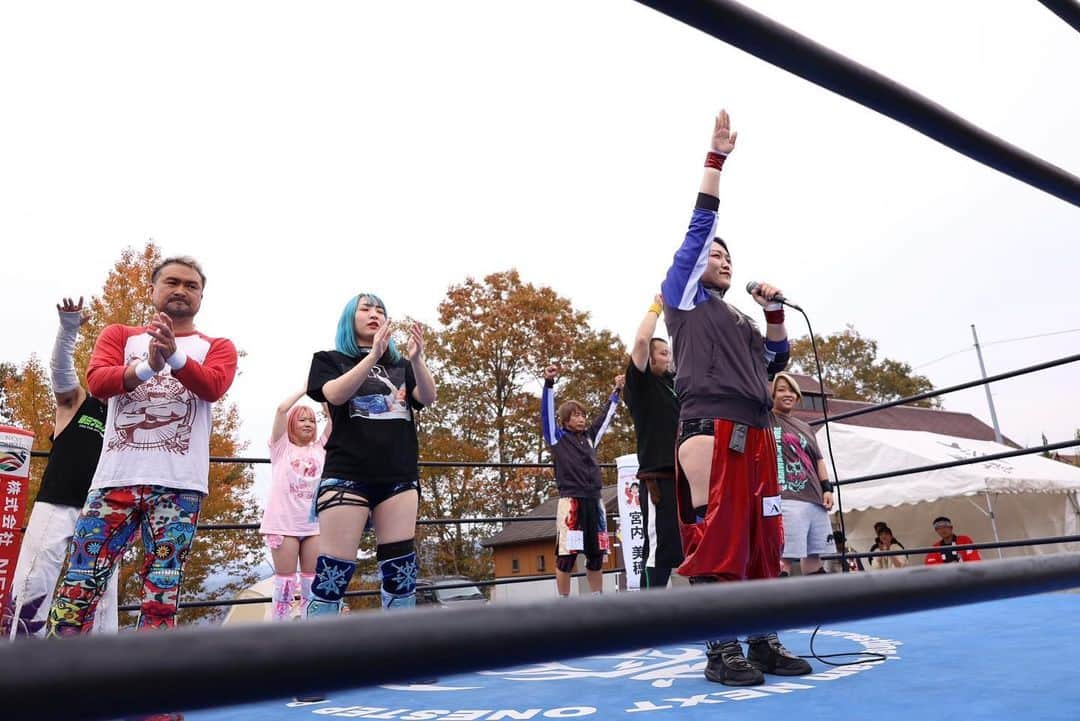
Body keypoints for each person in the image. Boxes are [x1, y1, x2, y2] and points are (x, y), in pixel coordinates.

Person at [660, 109, 810, 685]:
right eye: (715, 257)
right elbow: (699, 230)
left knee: (763, 537)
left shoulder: (740, 319)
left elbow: (777, 362)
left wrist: (773, 310)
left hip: (759, 430)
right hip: (709, 426)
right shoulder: (684, 299)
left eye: (729, 256)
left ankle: (762, 638)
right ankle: (719, 649)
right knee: (714, 535)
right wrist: (715, 160)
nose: (723, 260)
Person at [47, 257, 237, 640]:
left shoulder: (217, 346)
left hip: (180, 487)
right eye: (171, 282)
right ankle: (55, 684)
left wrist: (175, 357)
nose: (181, 290)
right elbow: (98, 381)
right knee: (79, 584)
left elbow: (213, 386)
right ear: (151, 290)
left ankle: (152, 690)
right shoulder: (120, 335)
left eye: (191, 285)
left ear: (201, 296)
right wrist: (148, 366)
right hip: (114, 481)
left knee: (161, 595)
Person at [304, 294, 436, 617]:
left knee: (401, 570)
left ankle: (397, 652)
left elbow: (427, 397)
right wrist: (372, 355)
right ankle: (315, 656)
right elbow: (334, 394)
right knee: (334, 571)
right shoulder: (329, 359)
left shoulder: (401, 367)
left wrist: (416, 360)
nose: (374, 314)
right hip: (347, 474)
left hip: (398, 475)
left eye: (380, 310)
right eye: (365, 308)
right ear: (350, 317)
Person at [4, 298, 119, 638]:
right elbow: (60, 370)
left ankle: (102, 670)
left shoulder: (125, 417)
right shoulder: (77, 401)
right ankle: (21, 664)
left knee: (103, 592)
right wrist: (68, 330)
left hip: (106, 510)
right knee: (33, 578)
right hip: (57, 501)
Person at [541, 364, 622, 596]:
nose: (581, 419)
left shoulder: (589, 438)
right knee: (567, 557)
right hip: (572, 504)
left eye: (583, 414)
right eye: (576, 415)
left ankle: (597, 600)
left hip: (594, 502)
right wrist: (549, 384)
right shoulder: (557, 439)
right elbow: (546, 414)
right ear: (565, 419)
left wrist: (616, 392)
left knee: (596, 556)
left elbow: (605, 417)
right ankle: (564, 604)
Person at [622, 294, 684, 589]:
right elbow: (642, 342)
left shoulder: (676, 388)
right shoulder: (642, 383)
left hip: (687, 475)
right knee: (659, 550)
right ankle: (648, 618)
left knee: (690, 543)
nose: (668, 357)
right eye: (664, 353)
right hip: (659, 477)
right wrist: (657, 306)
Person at [259, 390, 330, 621]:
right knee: (285, 583)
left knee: (312, 580)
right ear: (291, 424)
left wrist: (322, 391)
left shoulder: (322, 448)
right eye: (302, 419)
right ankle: (281, 630)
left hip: (314, 526)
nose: (308, 423)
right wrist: (305, 388)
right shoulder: (281, 448)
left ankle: (312, 627)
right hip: (283, 525)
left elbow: (333, 417)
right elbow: (281, 409)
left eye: (311, 420)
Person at [771, 372, 833, 576]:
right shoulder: (766, 419)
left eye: (791, 390)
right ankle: (779, 605)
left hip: (815, 497)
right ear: (771, 395)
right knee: (785, 557)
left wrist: (827, 489)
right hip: (787, 496)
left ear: (797, 396)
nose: (787, 394)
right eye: (781, 390)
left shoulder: (805, 427)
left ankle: (820, 604)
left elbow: (819, 459)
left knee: (815, 556)